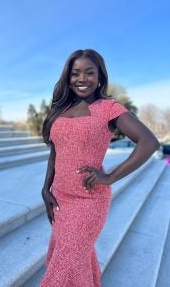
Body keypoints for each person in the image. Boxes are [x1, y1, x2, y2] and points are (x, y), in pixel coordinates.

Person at [40, 49, 159, 287]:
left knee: (66, 265)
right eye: (75, 73)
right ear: (67, 77)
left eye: (89, 72)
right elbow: (56, 151)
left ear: (100, 76)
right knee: (76, 259)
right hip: (60, 199)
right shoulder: (61, 109)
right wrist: (46, 188)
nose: (82, 79)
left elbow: (149, 142)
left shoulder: (108, 107)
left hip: (89, 201)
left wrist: (110, 177)